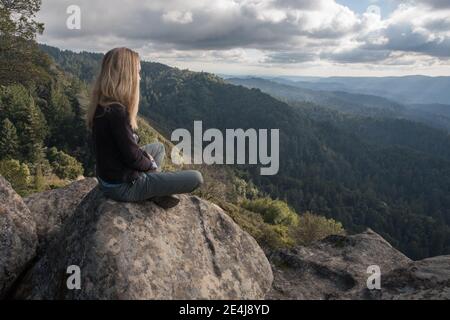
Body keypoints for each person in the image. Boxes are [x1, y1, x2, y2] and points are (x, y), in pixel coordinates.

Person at [86, 47, 203, 209]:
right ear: (126, 76)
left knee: (158, 147)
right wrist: (150, 165)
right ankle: (154, 191)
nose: (140, 78)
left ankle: (155, 190)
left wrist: (146, 159)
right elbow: (132, 157)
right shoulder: (117, 112)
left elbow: (127, 147)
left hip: (109, 177)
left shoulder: (103, 106)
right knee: (196, 178)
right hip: (122, 186)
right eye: (138, 73)